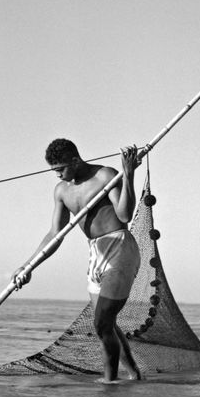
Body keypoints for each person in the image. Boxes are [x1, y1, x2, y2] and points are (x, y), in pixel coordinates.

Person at [13, 139, 143, 383]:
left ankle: (110, 383)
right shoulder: (61, 191)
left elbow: (125, 215)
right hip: (96, 253)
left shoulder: (105, 175)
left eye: (60, 169)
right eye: (54, 171)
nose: (58, 175)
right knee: (107, 324)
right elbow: (55, 234)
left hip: (119, 247)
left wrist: (128, 175)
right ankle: (135, 375)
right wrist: (28, 266)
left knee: (102, 321)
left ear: (75, 160)